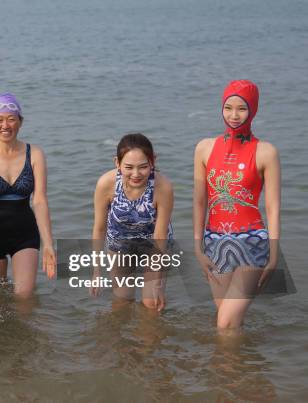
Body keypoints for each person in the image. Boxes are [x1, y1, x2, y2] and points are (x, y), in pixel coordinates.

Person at [193, 80, 280, 330]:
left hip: (252, 242)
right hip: (215, 242)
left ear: (253, 110)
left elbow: (273, 207)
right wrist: (198, 248)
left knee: (225, 323)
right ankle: (239, 367)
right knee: (228, 318)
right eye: (228, 107)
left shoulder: (266, 152)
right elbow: (200, 201)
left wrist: (273, 256)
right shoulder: (204, 149)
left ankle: (227, 367)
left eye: (241, 108)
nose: (233, 115)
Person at [0, 92, 56, 298]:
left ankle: (25, 331)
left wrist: (49, 244)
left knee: (25, 297)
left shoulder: (34, 153)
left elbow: (40, 200)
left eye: (11, 119)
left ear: (20, 122)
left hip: (24, 233)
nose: (5, 125)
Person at [92, 133, 174, 312]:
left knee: (152, 304)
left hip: (155, 247)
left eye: (143, 167)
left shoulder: (163, 186)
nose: (136, 174)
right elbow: (99, 229)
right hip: (120, 245)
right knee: (122, 304)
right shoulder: (106, 184)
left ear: (153, 162)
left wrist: (158, 285)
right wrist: (96, 271)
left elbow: (160, 235)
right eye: (128, 167)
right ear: (117, 163)